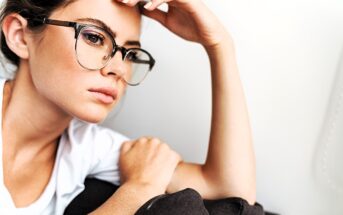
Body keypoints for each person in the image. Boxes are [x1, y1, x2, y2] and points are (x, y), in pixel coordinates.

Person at [0, 0, 263, 214]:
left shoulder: (85, 146)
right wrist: (139, 188)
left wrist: (219, 46)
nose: (117, 68)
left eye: (130, 54)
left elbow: (231, 190)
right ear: (20, 36)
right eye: (93, 37)